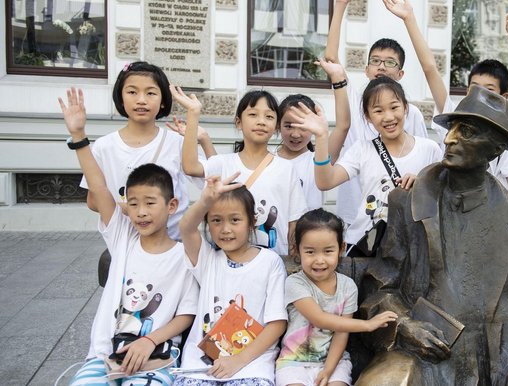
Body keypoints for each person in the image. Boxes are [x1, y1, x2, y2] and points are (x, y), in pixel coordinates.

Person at [355, 85, 508, 386]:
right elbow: (380, 288)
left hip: (497, 364)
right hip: (424, 356)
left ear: (496, 148)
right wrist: (404, 326)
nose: (450, 138)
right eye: (452, 129)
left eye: (468, 132)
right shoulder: (407, 203)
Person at [60, 88, 198, 386]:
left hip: (156, 358)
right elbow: (99, 187)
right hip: (104, 357)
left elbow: (186, 314)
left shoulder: (184, 255)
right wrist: (79, 135)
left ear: (171, 205)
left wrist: (149, 340)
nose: (141, 212)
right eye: (133, 204)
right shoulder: (123, 238)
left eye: (151, 203)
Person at [384, 3, 508, 210]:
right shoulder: (454, 119)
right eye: (474, 89)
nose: (453, 137)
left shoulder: (502, 138)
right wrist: (410, 19)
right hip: (449, 208)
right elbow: (430, 69)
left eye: (489, 91)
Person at [289, 77, 442, 255]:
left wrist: (422, 183)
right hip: (366, 248)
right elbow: (325, 182)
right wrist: (322, 136)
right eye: (378, 110)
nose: (388, 117)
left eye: (394, 107)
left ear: (405, 107)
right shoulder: (362, 149)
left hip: (413, 249)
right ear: (368, 116)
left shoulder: (429, 149)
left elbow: (445, 195)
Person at [324, 0, 430, 227]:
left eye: (389, 62)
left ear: (400, 73)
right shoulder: (353, 102)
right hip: (355, 216)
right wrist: (340, 6)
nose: (381, 66)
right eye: (375, 61)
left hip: (400, 220)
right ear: (367, 70)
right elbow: (332, 63)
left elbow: (426, 166)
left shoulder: (412, 114)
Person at [173, 177, 287, 386]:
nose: (225, 229)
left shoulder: (270, 263)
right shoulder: (207, 259)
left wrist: (238, 360)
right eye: (216, 220)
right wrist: (205, 200)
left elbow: (277, 323)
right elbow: (186, 228)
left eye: (235, 220)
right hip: (200, 369)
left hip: (251, 366)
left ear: (252, 221)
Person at [78, 61, 205, 241]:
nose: (141, 100)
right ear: (121, 98)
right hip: (124, 245)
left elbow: (209, 180)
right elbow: (92, 201)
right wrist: (134, 208)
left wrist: (201, 134)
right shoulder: (104, 146)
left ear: (163, 101)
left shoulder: (176, 143)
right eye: (132, 92)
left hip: (174, 246)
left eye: (151, 93)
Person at [174, 87, 307, 256]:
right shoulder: (223, 163)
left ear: (276, 127)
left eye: (269, 116)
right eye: (253, 115)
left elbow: (294, 221)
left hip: (274, 261)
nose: (261, 121)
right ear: (238, 122)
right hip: (227, 262)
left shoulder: (287, 168)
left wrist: (293, 261)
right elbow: (190, 166)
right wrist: (193, 114)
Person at [275, 208, 398, 386]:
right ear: (297, 250)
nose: (319, 260)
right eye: (310, 252)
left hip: (335, 360)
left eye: (328, 251)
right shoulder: (295, 283)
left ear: (341, 248)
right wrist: (367, 325)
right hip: (294, 362)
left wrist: (328, 370)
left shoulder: (347, 287)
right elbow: (320, 319)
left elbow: (341, 333)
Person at [275, 60, 351, 211]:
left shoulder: (318, 158)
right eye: (289, 126)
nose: (295, 134)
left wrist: (337, 79)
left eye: (303, 126)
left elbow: (343, 125)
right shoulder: (267, 159)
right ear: (278, 125)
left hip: (309, 232)